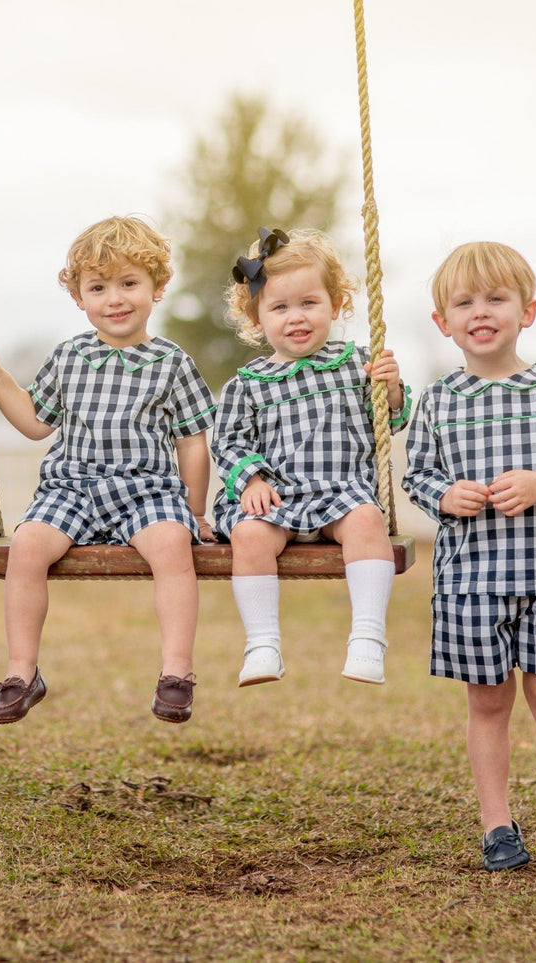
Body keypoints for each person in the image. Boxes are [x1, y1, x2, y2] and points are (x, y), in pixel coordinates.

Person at [402, 241, 536, 872]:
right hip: (470, 581)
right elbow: (417, 476)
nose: (481, 312)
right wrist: (445, 495)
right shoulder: (439, 399)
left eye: (496, 298)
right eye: (464, 302)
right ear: (443, 322)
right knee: (488, 702)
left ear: (527, 312)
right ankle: (497, 824)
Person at [0, 216, 215, 725]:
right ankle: (21, 672)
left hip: (147, 491)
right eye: (98, 288)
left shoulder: (172, 362)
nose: (114, 299)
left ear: (157, 287)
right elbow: (36, 423)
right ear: (79, 297)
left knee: (172, 545)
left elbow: (192, 442)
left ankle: (176, 671)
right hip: (71, 490)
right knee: (27, 545)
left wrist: (194, 512)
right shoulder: (69, 356)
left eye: (129, 283)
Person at [210, 228, 411, 688]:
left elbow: (391, 422)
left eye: (309, 303)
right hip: (278, 500)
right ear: (256, 317)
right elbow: (228, 444)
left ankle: (367, 637)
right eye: (280, 307)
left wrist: (392, 388)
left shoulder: (357, 364)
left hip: (342, 495)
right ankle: (262, 643)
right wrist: (252, 481)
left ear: (335, 305)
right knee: (249, 535)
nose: (296, 317)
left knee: (367, 520)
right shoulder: (247, 384)